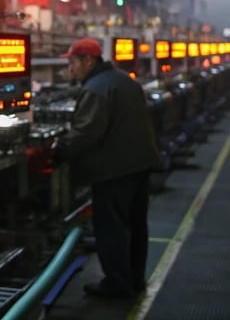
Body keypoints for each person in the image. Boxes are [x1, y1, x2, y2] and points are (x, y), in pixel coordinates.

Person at [54, 38, 159, 299]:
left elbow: (86, 132)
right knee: (135, 224)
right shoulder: (123, 79)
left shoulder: (96, 89)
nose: (70, 69)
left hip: (114, 169)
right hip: (139, 162)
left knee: (111, 227)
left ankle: (117, 283)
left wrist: (58, 151)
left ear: (88, 61)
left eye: (73, 63)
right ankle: (135, 278)